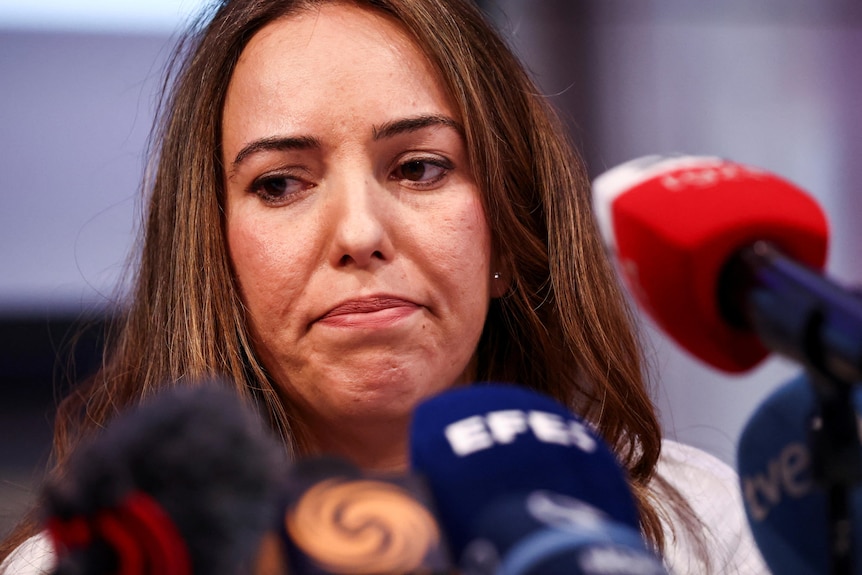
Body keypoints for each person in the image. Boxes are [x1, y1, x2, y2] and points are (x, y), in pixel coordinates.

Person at [0, 0, 767, 573]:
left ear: (508, 231)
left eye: (419, 168)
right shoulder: (93, 560)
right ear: (215, 260)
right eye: (280, 184)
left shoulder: (708, 526)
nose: (360, 233)